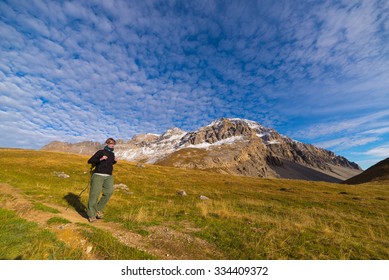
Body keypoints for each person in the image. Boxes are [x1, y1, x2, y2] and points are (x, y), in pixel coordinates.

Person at [86, 138, 118, 223]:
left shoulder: (112, 154)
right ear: (107, 143)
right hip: (98, 175)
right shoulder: (100, 152)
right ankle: (91, 215)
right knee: (94, 194)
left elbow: (108, 164)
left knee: (109, 192)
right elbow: (90, 161)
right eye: (110, 143)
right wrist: (100, 159)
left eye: (113, 144)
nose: (112, 145)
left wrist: (114, 161)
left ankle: (98, 209)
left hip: (108, 176)